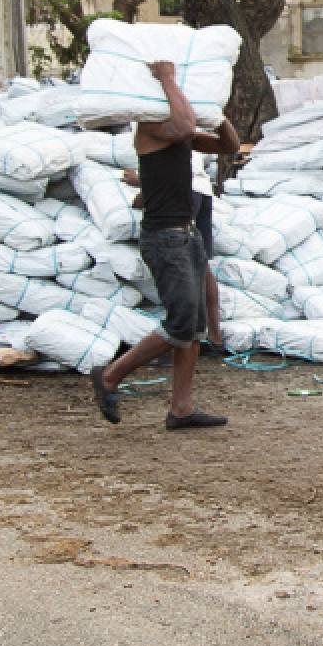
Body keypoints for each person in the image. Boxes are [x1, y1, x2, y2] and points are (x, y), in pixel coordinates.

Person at [90, 63, 234, 430]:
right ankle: (109, 377)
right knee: (182, 321)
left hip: (187, 235)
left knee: (196, 324)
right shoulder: (152, 128)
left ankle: (181, 408)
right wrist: (168, 78)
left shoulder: (181, 135)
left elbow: (228, 146)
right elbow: (185, 125)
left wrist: (218, 117)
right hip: (164, 237)